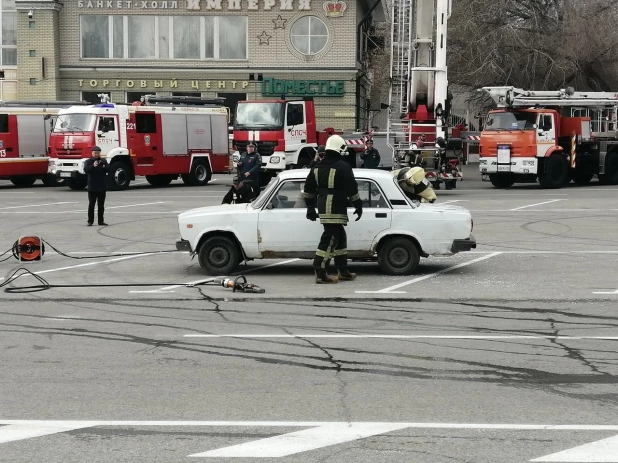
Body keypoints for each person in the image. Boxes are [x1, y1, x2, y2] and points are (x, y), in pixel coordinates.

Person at [303, 134, 363, 284]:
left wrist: (310, 207)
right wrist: (358, 205)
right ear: (339, 149)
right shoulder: (343, 166)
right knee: (330, 237)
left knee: (340, 236)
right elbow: (352, 189)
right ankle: (320, 270)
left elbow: (308, 189)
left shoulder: (316, 167)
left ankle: (342, 270)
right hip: (336, 206)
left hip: (324, 206)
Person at [83, 146, 109, 226]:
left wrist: (103, 166)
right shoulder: (88, 161)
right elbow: (86, 170)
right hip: (92, 187)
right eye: (95, 153)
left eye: (98, 153)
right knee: (91, 205)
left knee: (101, 205)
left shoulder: (103, 161)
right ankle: (90, 221)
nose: (96, 154)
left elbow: (109, 169)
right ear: (92, 153)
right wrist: (93, 166)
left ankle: (101, 221)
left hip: (102, 186)